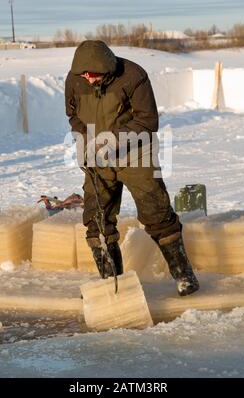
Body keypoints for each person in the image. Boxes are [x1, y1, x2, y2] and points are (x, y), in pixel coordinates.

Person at [65, 40, 199, 296]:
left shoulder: (133, 75)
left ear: (106, 68)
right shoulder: (74, 80)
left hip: (136, 151)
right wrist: (83, 142)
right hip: (98, 155)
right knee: (97, 218)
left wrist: (113, 140)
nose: (89, 80)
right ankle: (112, 285)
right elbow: (74, 116)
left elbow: (148, 121)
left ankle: (184, 275)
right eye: (84, 76)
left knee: (156, 212)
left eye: (93, 75)